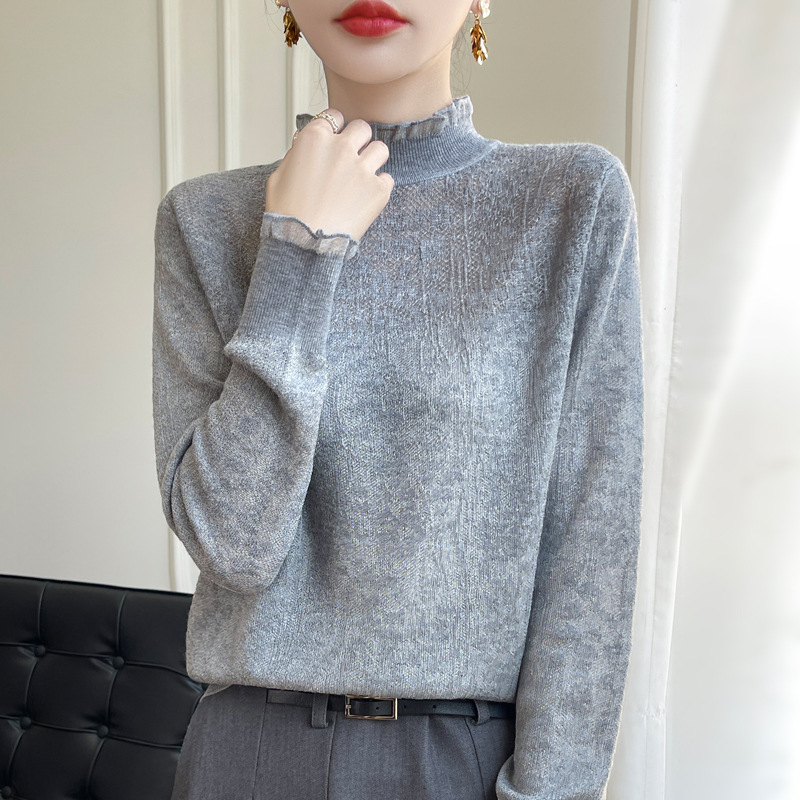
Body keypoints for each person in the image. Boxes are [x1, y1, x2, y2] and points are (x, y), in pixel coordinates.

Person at [151, 0, 644, 798]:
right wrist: (298, 251)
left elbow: (591, 547)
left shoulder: (570, 200)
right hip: (246, 758)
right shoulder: (204, 220)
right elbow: (232, 545)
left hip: (459, 762)